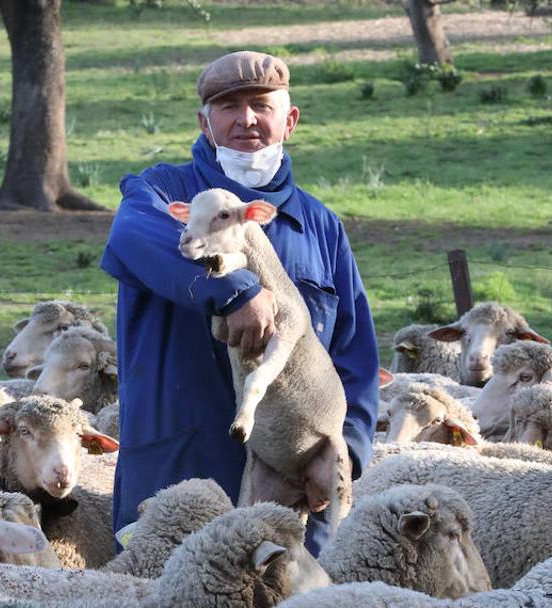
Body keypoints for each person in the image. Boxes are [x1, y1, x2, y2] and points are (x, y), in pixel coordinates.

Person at [100, 51, 380, 555]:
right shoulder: (162, 192)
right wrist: (236, 293)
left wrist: (344, 459)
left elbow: (353, 358)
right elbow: (132, 236)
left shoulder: (319, 226)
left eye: (261, 105)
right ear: (205, 122)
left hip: (293, 491)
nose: (245, 119)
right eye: (228, 106)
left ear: (289, 120)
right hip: (179, 476)